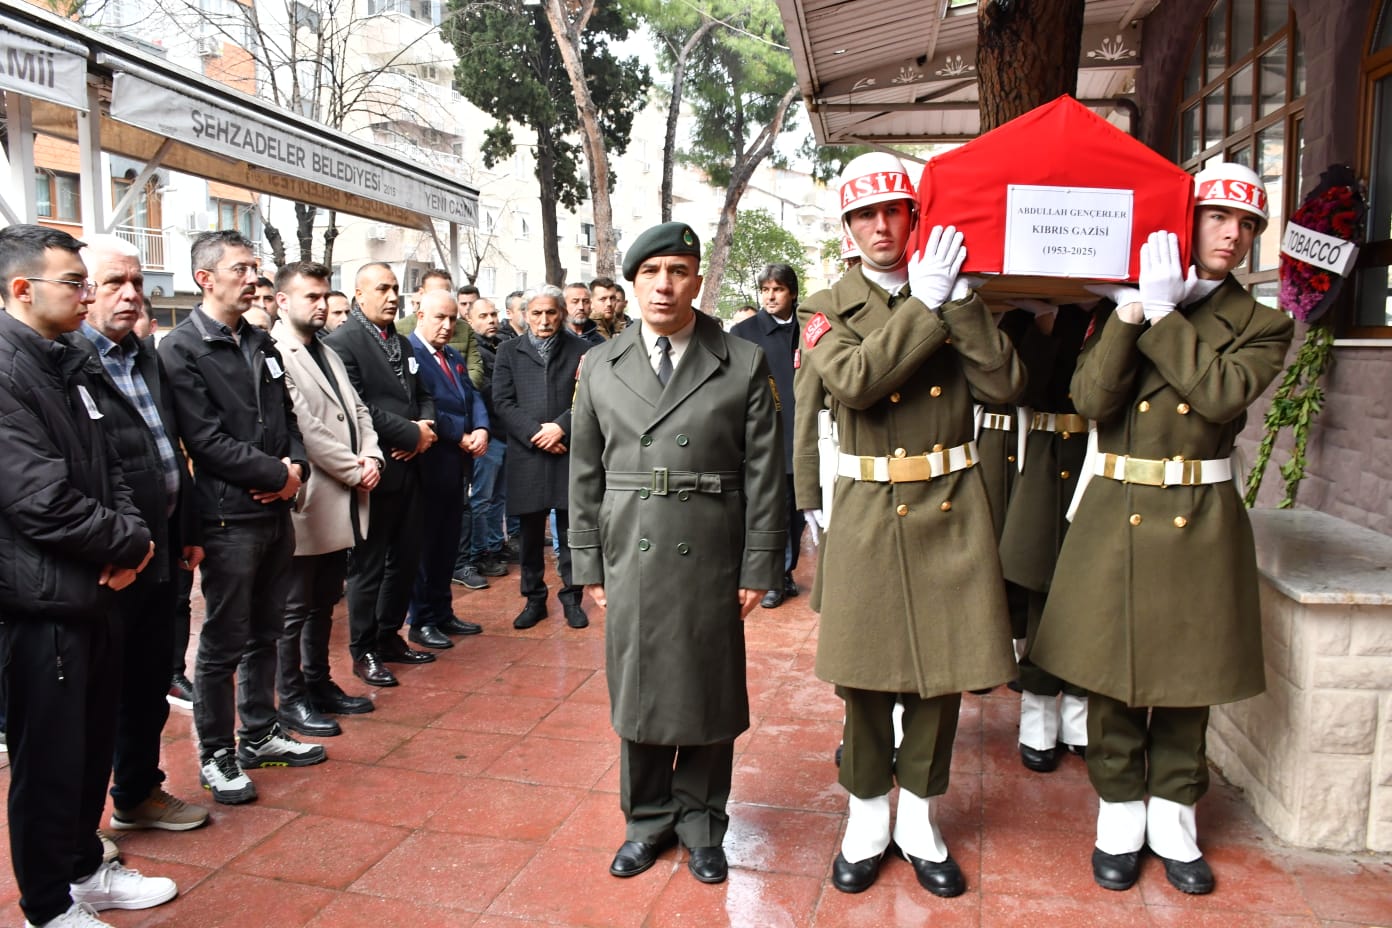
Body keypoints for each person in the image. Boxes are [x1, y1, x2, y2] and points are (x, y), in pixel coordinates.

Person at [1030, 163, 1295, 897]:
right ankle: (1118, 811)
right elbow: (1089, 398)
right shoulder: (1127, 301)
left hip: (1200, 516)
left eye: (1247, 225)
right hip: (1118, 506)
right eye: (1219, 218)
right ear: (1187, 219)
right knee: (1113, 672)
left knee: (1188, 675)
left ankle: (1175, 813)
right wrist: (1128, 315)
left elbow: (1218, 398)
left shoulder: (1265, 323)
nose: (1234, 236)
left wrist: (1168, 315)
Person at [793, 152, 1023, 897]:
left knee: (940, 678)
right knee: (864, 679)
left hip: (950, 505)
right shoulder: (822, 306)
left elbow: (1008, 384)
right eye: (865, 215)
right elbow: (852, 384)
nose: (880, 225)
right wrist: (924, 308)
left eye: (893, 209)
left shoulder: (956, 296)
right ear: (849, 228)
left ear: (915, 217)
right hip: (866, 507)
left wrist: (954, 305)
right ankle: (866, 814)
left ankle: (919, 816)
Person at [569, 221, 785, 885]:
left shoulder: (741, 360)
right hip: (630, 544)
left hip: (712, 546)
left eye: (678, 271)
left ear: (699, 279)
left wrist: (759, 564)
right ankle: (646, 821)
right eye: (650, 273)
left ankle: (703, 823)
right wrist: (586, 561)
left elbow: (765, 474)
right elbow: (584, 471)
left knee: (708, 688)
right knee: (639, 687)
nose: (664, 286)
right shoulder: (599, 365)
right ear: (633, 283)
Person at [0, 224, 173, 928]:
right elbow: (39, 499)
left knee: (90, 744)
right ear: (20, 289)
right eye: (74, 283)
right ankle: (46, 904)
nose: (87, 295)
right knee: (47, 761)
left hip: (97, 590)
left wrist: (132, 540)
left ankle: (82, 868)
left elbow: (114, 469)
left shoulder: (63, 362)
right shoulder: (7, 373)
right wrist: (127, 544)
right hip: (42, 600)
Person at [160, 231, 324, 805]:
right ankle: (216, 752)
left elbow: (289, 419)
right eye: (242, 267)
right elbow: (203, 439)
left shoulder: (261, 342)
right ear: (206, 278)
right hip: (229, 517)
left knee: (267, 630)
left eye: (256, 266)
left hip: (276, 508)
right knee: (224, 641)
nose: (254, 276)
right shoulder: (181, 348)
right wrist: (274, 475)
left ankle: (260, 733)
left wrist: (296, 469)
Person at [64, 235, 209, 834]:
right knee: (94, 700)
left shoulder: (145, 354)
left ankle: (139, 791)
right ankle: (77, 834)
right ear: (83, 290)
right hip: (105, 561)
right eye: (114, 282)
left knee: (150, 682)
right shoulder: (66, 358)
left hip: (160, 549)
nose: (130, 295)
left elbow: (170, 448)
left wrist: (186, 526)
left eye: (137, 284)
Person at [270, 262, 382, 736]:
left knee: (323, 601)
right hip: (313, 496)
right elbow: (304, 426)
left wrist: (373, 453)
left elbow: (357, 409)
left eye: (324, 296)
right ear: (282, 301)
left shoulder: (326, 350)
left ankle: (319, 683)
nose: (320, 304)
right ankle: (291, 697)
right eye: (310, 297)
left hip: (346, 491)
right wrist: (354, 467)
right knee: (295, 607)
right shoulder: (277, 351)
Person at [325, 263, 438, 688]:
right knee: (369, 567)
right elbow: (356, 406)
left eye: (395, 289)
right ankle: (364, 649)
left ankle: (391, 636)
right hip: (377, 470)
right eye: (382, 289)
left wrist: (424, 431)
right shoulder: (343, 343)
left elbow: (422, 394)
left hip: (412, 468)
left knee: (406, 560)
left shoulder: (403, 343)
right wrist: (409, 433)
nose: (393, 297)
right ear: (358, 293)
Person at [996, 299, 1094, 772]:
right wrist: (1043, 325)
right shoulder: (1021, 315)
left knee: (1091, 597)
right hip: (1044, 455)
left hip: (1099, 459)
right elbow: (1020, 389)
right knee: (1041, 594)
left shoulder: (1121, 309)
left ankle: (1078, 713)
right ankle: (1038, 716)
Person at [492, 287, 590, 631]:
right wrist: (539, 434)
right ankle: (534, 599)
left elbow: (590, 400)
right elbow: (502, 402)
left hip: (568, 452)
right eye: (536, 313)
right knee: (530, 534)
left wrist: (561, 428)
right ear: (525, 315)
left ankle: (572, 598)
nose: (544, 320)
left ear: (561, 313)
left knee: (570, 529)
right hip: (528, 452)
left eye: (551, 313)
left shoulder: (583, 351)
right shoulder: (508, 351)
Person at [406, 290, 490, 649]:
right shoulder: (409, 355)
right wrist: (461, 434)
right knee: (425, 546)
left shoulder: (452, 355)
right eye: (439, 317)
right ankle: (421, 619)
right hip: (429, 464)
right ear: (419, 314)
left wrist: (483, 428)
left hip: (456, 466)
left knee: (447, 544)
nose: (447, 325)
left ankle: (442, 611)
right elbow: (420, 408)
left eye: (452, 318)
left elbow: (472, 397)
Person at [731, 264, 805, 609]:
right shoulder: (744, 332)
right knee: (771, 510)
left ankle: (785, 573)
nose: (771, 296)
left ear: (791, 292)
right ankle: (773, 577)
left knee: (798, 511)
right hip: (764, 436)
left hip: (805, 435)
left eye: (778, 289)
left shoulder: (809, 327)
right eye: (765, 290)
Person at [459, 298, 510, 578]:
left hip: (503, 432)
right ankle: (480, 553)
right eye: (484, 315)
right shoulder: (473, 351)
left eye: (494, 314)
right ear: (470, 320)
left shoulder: (500, 345)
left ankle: (494, 544)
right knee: (482, 497)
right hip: (485, 433)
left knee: (498, 497)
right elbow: (484, 391)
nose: (491, 320)